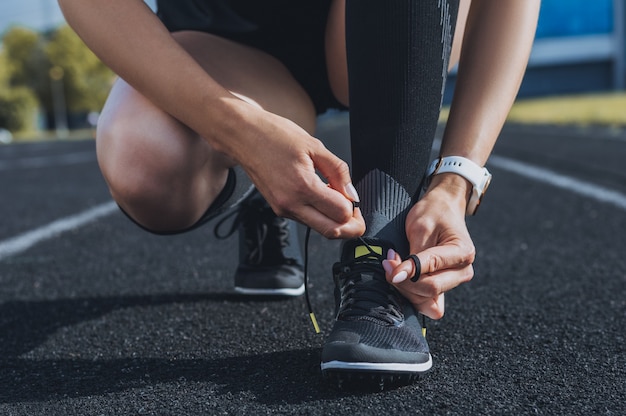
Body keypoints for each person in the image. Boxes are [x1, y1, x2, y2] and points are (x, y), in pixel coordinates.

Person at [58, 0, 540, 388]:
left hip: (381, 20)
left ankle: (382, 244)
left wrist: (455, 181)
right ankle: (261, 190)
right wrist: (240, 135)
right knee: (148, 160)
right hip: (224, 36)